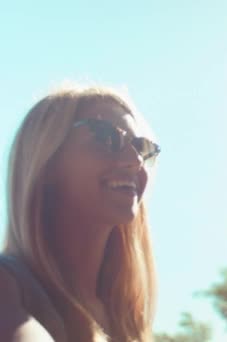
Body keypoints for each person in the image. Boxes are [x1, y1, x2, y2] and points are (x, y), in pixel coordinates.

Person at [0, 85, 160, 341]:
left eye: (142, 148)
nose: (135, 160)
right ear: (45, 162)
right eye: (105, 137)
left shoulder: (126, 322)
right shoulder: (7, 287)